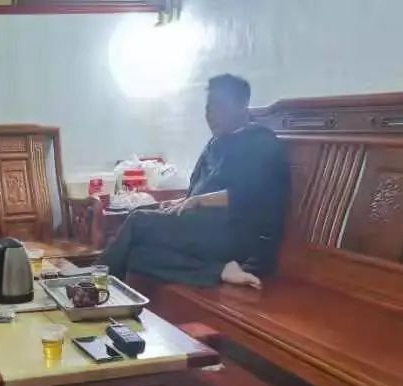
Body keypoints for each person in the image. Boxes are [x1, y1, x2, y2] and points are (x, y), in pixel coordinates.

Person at [100, 74, 290, 288]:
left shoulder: (261, 142)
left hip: (240, 236)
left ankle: (90, 288)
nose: (211, 115)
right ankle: (220, 270)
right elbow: (198, 188)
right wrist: (181, 202)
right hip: (206, 229)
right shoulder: (217, 143)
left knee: (138, 221)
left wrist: (197, 201)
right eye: (208, 107)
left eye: (219, 106)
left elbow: (246, 197)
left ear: (242, 106)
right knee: (135, 254)